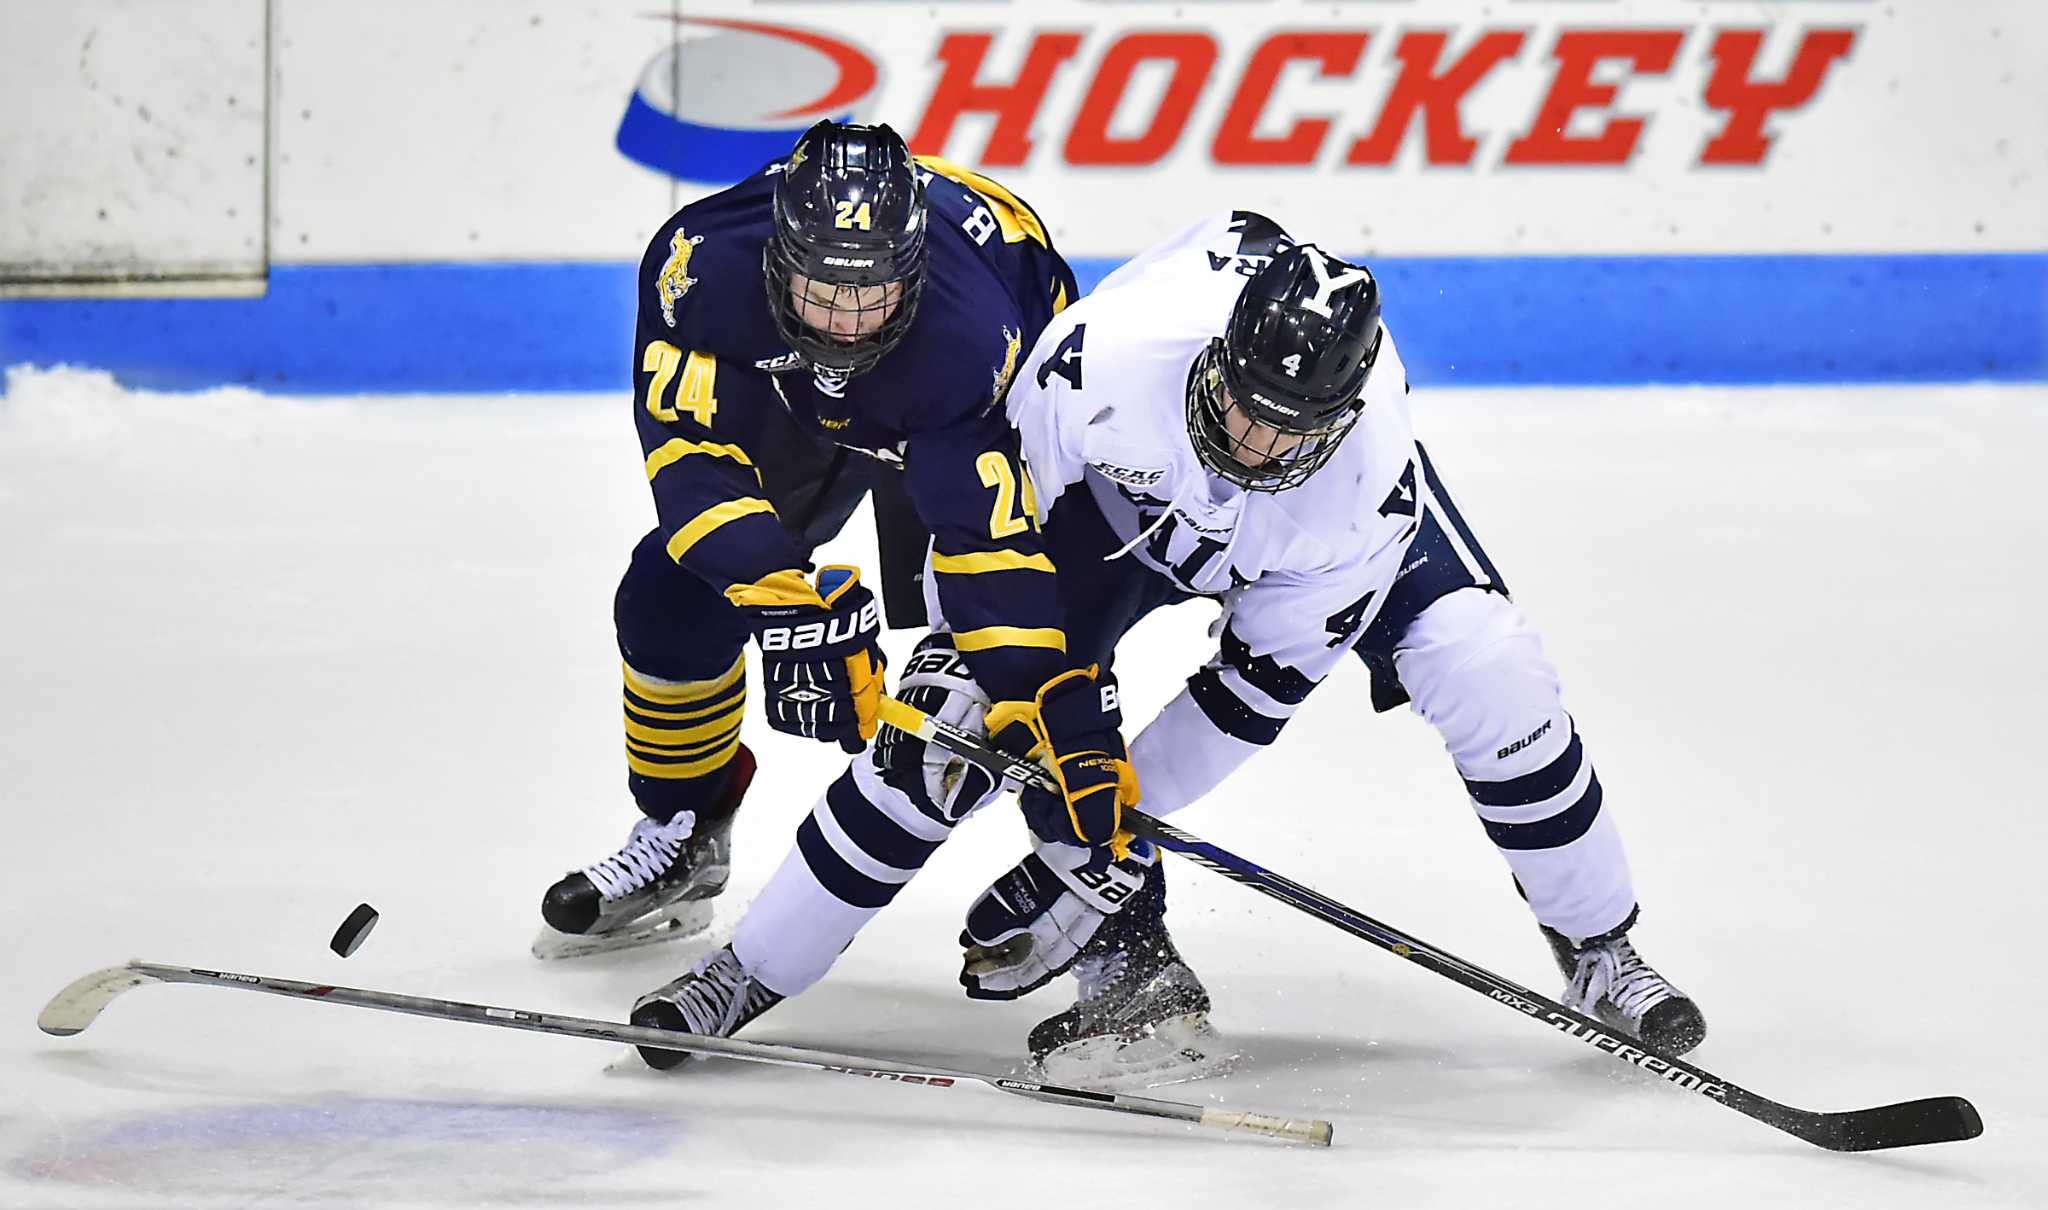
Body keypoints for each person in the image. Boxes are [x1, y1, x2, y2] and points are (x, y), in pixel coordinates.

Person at [628, 214, 1705, 1087]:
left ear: (1337, 416)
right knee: (944, 726)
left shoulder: (1361, 491)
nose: (1253, 446)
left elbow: (1247, 695)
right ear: (1214, 355)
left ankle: (1599, 946)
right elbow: (988, 539)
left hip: (1300, 556)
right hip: (1103, 506)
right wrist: (1029, 702)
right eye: (1243, 407)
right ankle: (747, 972)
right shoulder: (1103, 361)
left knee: (1483, 660)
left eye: (1289, 427)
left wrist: (1097, 828)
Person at [532, 120, 1083, 959]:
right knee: (669, 592)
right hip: (776, 378)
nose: (846, 325)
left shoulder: (972, 339)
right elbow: (692, 470)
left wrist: (1019, 682)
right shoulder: (700, 266)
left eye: (870, 296)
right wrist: (789, 603)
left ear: (914, 273)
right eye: (823, 291)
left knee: (1012, 659)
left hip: (970, 389)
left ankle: (1086, 881)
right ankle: (685, 826)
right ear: (777, 259)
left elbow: (990, 547)